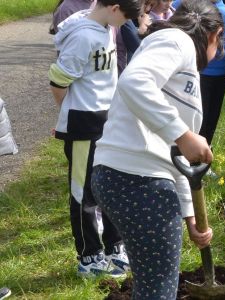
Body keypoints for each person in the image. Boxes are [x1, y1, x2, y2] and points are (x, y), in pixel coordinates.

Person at [90, 0, 221, 297]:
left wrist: (190, 217)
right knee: (158, 291)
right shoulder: (178, 40)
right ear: (215, 34)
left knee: (153, 285)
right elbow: (134, 82)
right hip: (138, 181)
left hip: (131, 178)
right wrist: (183, 134)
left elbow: (176, 160)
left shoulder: (177, 60)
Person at [48, 0, 140, 278]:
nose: (127, 24)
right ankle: (89, 256)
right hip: (83, 123)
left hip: (106, 121)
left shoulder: (106, 27)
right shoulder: (82, 35)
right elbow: (58, 82)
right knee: (83, 192)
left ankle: (114, 247)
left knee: (108, 186)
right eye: (126, 17)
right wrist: (67, 116)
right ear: (114, 7)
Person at [173, 0, 225, 160]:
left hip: (221, 72)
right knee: (198, 119)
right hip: (200, 71)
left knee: (212, 118)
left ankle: (203, 159)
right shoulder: (192, 4)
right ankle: (187, 158)